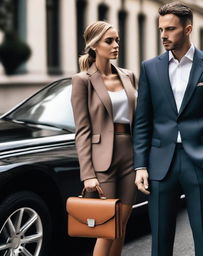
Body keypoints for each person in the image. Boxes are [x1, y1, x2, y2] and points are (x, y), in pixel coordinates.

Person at [133, 2, 203, 256]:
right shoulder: (150, 67)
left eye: (170, 29)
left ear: (188, 29)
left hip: (200, 162)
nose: (163, 35)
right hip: (161, 165)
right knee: (159, 241)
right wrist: (140, 165)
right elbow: (143, 120)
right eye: (160, 30)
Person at [71, 21, 137, 256]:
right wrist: (87, 174)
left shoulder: (129, 76)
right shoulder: (83, 81)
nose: (116, 45)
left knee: (122, 223)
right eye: (109, 41)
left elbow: (137, 120)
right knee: (106, 226)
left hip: (130, 155)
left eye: (117, 40)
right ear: (94, 45)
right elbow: (82, 130)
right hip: (102, 161)